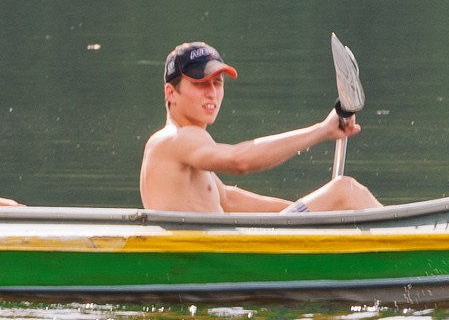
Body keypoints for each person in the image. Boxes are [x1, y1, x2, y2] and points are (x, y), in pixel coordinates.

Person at [139, 41, 378, 214]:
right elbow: (239, 161)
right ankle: (411, 251)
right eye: (201, 84)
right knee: (344, 190)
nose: (212, 92)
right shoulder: (174, 139)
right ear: (171, 93)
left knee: (338, 198)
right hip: (214, 262)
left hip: (220, 259)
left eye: (217, 83)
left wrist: (313, 210)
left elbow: (228, 202)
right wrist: (321, 130)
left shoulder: (190, 146)